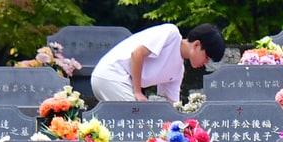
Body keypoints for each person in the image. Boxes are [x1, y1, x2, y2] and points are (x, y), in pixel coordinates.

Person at [90, 24, 225, 103]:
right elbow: (137, 54)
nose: (206, 62)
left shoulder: (178, 71)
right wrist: (137, 92)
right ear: (196, 45)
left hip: (119, 83)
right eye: (207, 57)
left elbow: (171, 104)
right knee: (138, 120)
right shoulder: (171, 33)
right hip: (111, 75)